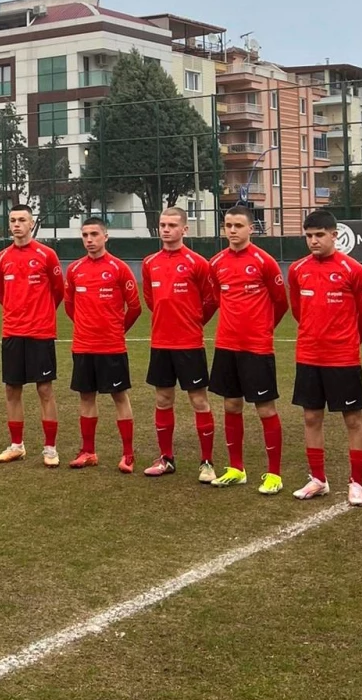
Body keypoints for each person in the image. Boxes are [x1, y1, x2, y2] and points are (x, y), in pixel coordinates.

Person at [287, 211, 362, 504]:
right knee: (311, 417)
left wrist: (348, 342)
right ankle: (318, 479)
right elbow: (298, 311)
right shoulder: (298, 269)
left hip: (343, 359)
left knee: (353, 419)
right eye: (309, 236)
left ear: (334, 235)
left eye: (320, 235)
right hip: (308, 356)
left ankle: (357, 483)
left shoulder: (353, 269)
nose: (313, 240)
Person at [208, 206, 290, 494]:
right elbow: (218, 298)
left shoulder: (264, 262)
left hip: (256, 347)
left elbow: (281, 302)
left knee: (265, 408)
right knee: (231, 405)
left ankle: (274, 474)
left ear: (251, 229)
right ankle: (236, 468)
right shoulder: (216, 262)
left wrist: (263, 329)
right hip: (226, 345)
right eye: (228, 225)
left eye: (238, 225)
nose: (232, 230)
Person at [141, 207, 219, 480]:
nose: (166, 229)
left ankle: (207, 463)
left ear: (184, 229)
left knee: (199, 400)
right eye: (163, 224)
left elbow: (211, 300)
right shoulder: (150, 263)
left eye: (172, 225)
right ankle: (166, 458)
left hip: (189, 343)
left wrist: (193, 322)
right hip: (161, 343)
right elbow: (151, 300)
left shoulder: (198, 263)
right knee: (163, 399)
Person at [64, 217, 141, 472]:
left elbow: (135, 307)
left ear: (105, 237)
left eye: (94, 234)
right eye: (85, 235)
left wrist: (117, 330)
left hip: (112, 347)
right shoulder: (74, 269)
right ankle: (88, 452)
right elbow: (69, 306)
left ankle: (128, 454)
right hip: (83, 346)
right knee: (86, 396)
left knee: (119, 396)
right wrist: (86, 327)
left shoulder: (119, 268)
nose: (89, 239)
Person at [0, 204, 65, 467]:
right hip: (12, 331)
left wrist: (41, 313)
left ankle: (50, 448)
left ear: (31, 223)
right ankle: (16, 446)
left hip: (40, 332)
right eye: (13, 220)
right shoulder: (1, 258)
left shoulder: (47, 255)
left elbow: (58, 291)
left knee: (44, 389)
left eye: (22, 220)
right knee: (12, 389)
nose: (17, 225)